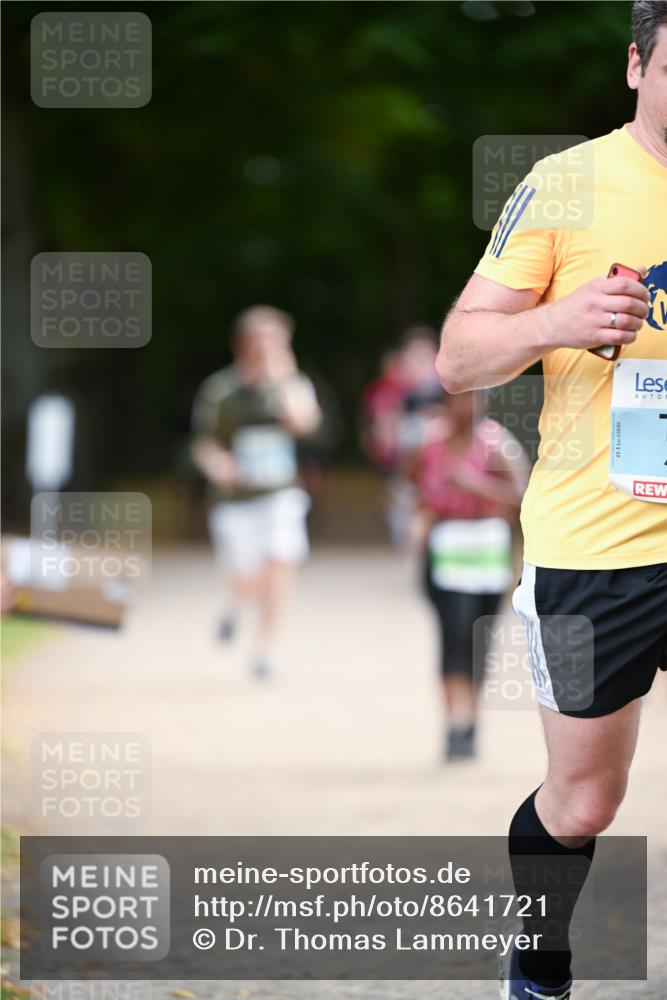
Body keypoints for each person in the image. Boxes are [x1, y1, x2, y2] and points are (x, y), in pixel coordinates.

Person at [437, 3, 667, 996]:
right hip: (598, 541)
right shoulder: (567, 186)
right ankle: (537, 966)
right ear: (635, 65)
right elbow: (457, 357)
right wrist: (561, 318)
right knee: (581, 802)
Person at [191, 305, 321, 679]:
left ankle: (263, 650)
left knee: (280, 565)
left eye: (278, 341)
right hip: (235, 502)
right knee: (249, 577)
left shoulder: (293, 385)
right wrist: (217, 464)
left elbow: (304, 423)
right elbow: (203, 443)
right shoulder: (220, 391)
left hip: (280, 495)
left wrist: (281, 379)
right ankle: (235, 604)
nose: (269, 348)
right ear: (241, 345)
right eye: (262, 341)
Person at [412, 391, 529, 761]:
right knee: (453, 633)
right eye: (462, 400)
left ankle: (471, 721)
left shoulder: (497, 444)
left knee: (479, 639)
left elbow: (523, 494)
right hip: (444, 550)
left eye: (477, 400)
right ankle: (453, 722)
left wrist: (476, 486)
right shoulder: (429, 443)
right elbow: (412, 487)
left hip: (486, 552)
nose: (470, 408)